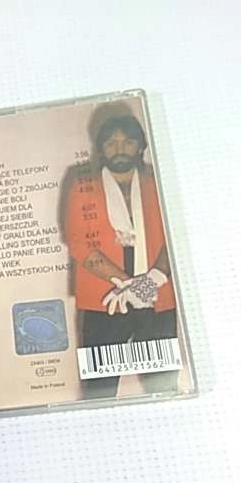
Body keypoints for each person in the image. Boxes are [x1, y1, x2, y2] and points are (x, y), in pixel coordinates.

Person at [65, 114, 177, 398]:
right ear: (101, 148)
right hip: (104, 301)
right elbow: (79, 244)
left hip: (157, 296)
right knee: (98, 389)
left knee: (163, 384)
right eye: (111, 143)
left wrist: (151, 281)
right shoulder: (82, 186)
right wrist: (128, 284)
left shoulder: (160, 184)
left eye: (128, 142)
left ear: (140, 146)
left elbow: (174, 236)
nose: (120, 149)